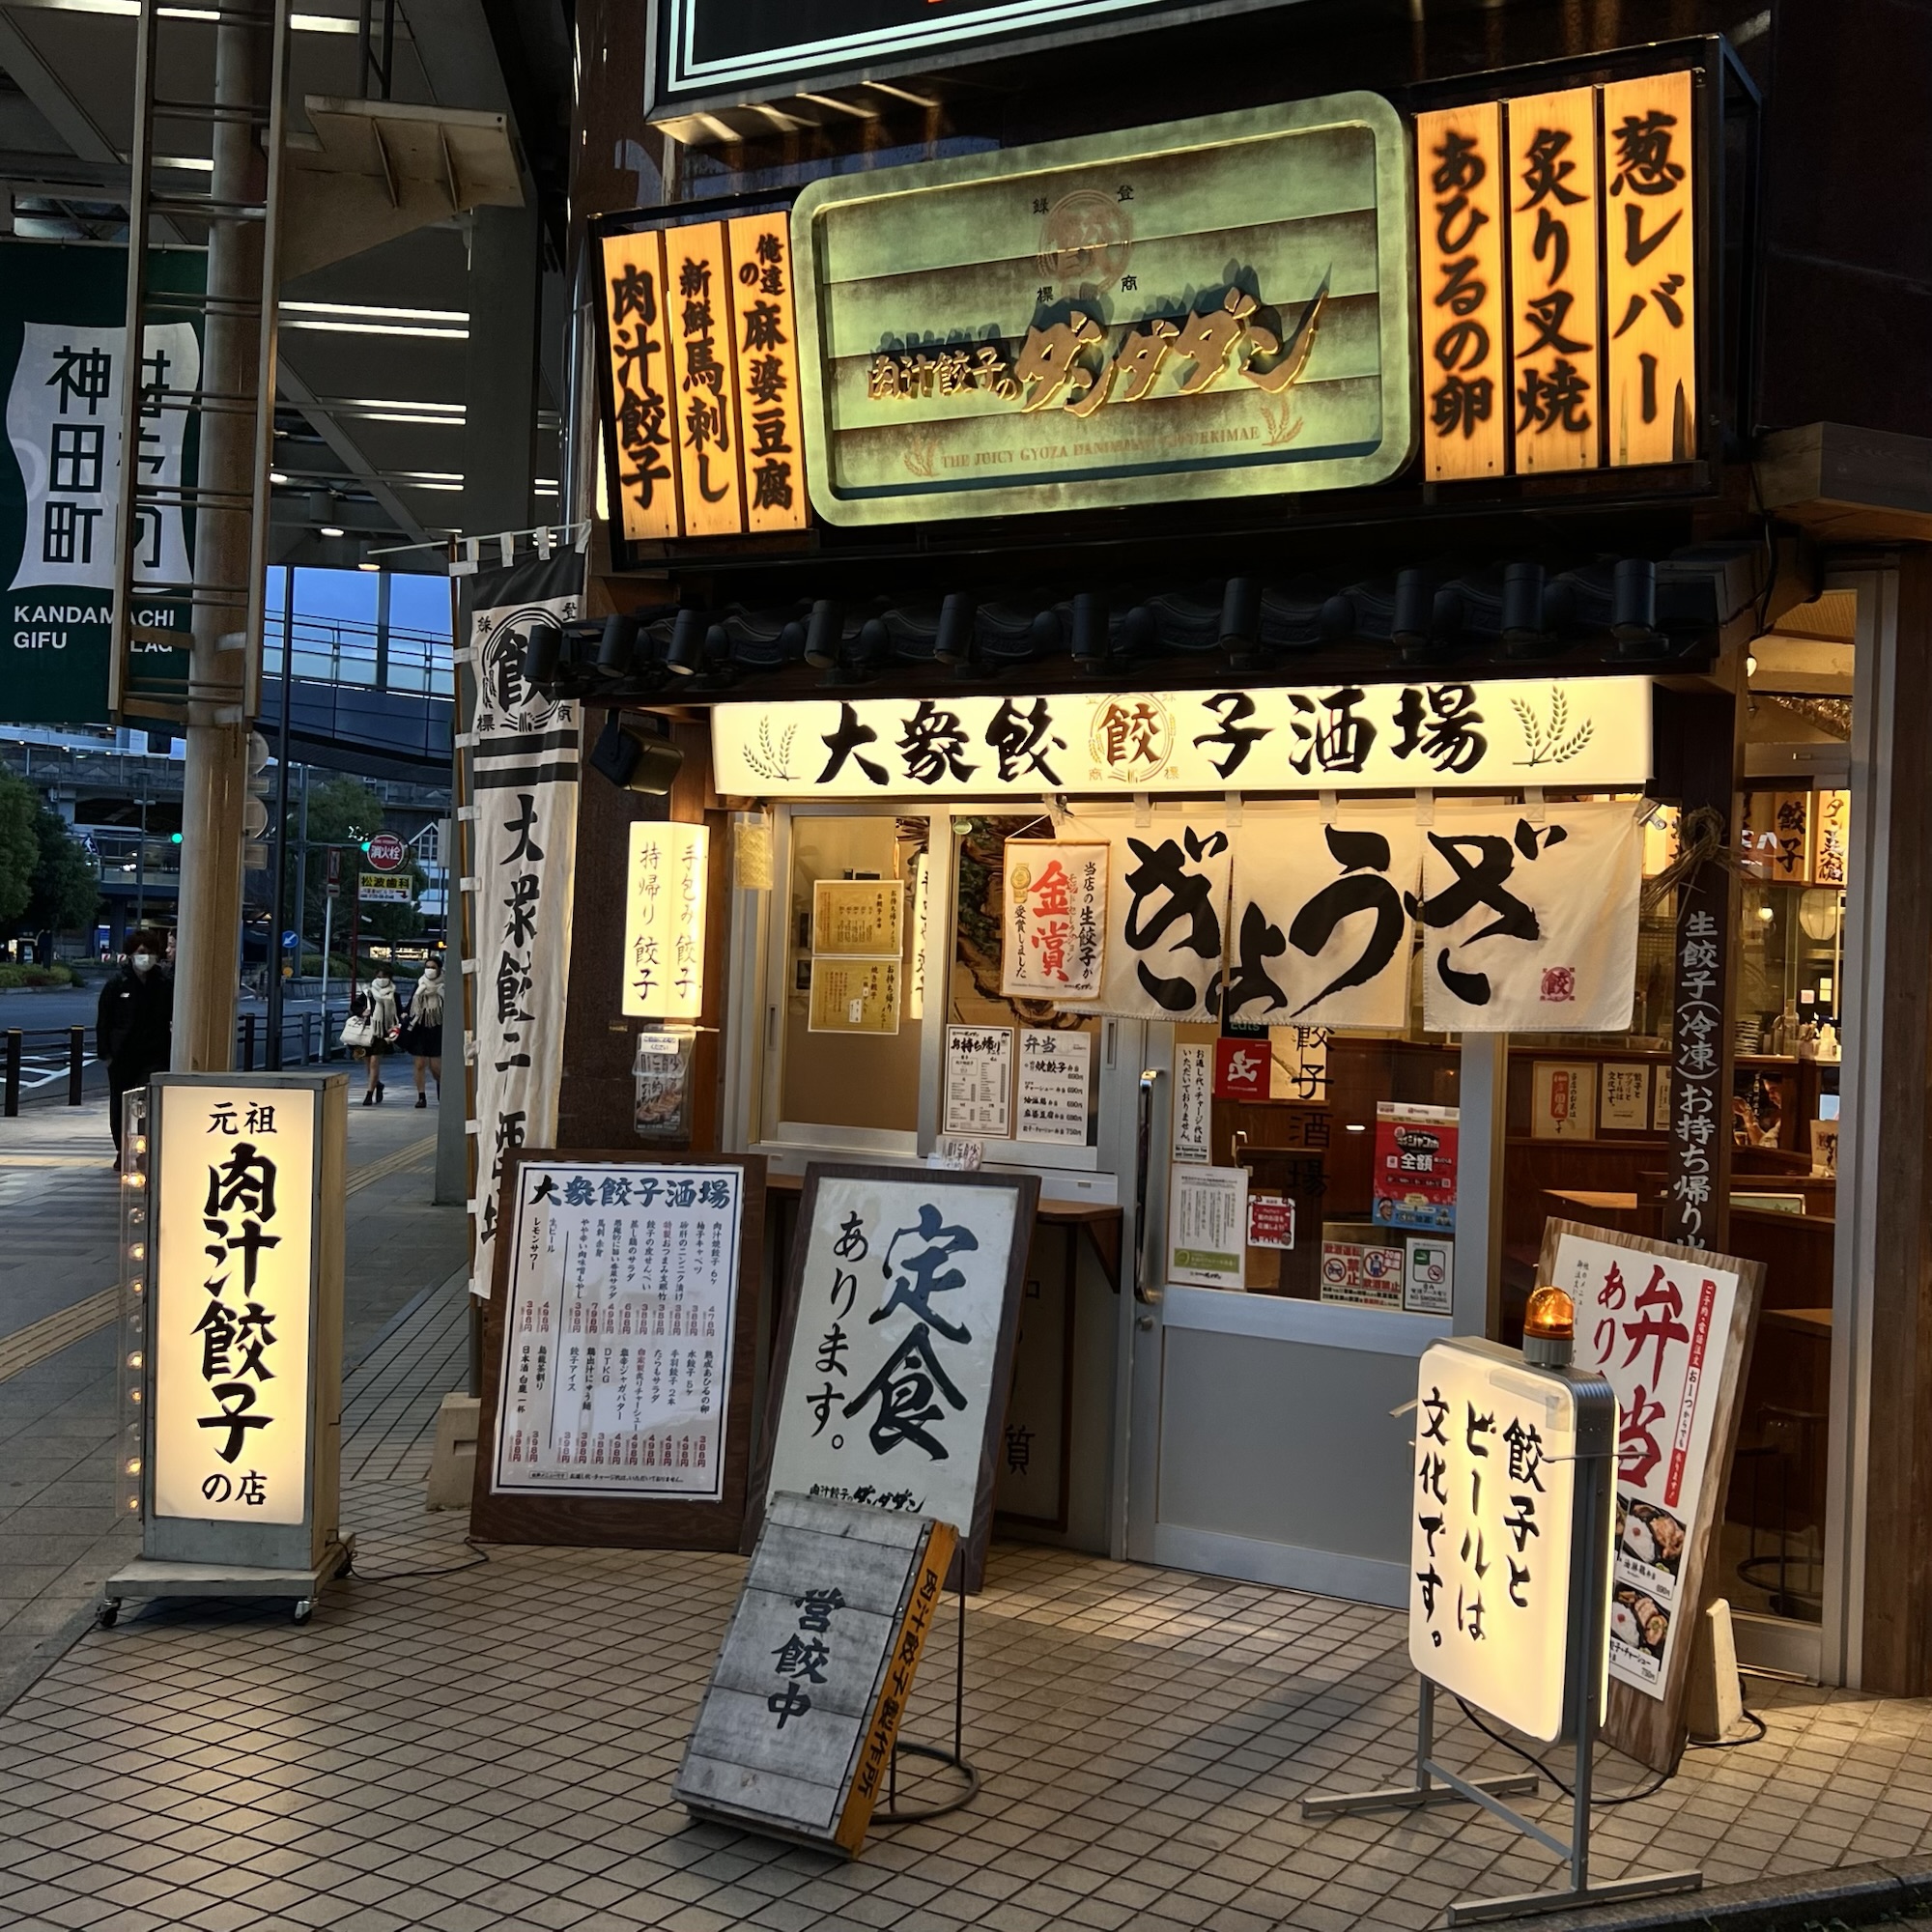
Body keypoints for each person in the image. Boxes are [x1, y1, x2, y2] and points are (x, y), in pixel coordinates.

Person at [96, 928, 174, 1158]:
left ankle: (143, 1149)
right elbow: (104, 1020)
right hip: (122, 1055)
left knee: (146, 1101)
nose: (146, 957)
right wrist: (107, 1055)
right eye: (141, 952)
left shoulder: (163, 983)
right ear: (130, 954)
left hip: (154, 1054)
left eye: (150, 952)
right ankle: (122, 1150)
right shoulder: (117, 984)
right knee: (120, 1104)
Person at [348, 969, 402, 1104]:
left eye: (384, 976)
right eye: (378, 976)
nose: (381, 979)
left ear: (389, 978)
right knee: (368, 1063)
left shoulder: (394, 995)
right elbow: (354, 1006)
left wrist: (396, 1030)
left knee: (374, 1063)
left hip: (383, 1033)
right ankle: (378, 1084)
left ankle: (369, 1094)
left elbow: (398, 1014)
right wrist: (362, 1011)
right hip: (367, 1031)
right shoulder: (368, 993)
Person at [400, 958, 444, 1107]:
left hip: (437, 1027)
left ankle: (442, 1088)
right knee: (419, 1063)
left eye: (433, 967)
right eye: (427, 967)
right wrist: (406, 1013)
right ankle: (421, 1096)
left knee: (435, 1067)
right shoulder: (420, 984)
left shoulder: (444, 985)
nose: (429, 970)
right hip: (419, 1026)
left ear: (439, 969)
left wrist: (442, 994)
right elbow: (412, 1002)